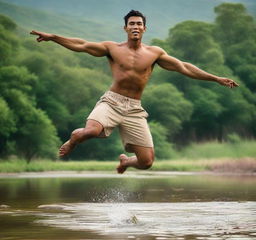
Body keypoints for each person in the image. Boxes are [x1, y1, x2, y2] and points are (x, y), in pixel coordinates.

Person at [30, 10, 238, 174]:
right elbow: (82, 44)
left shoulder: (154, 53)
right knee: (91, 132)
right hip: (111, 102)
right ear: (125, 28)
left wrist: (215, 78)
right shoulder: (112, 48)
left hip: (134, 108)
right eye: (132, 24)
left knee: (147, 162)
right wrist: (53, 37)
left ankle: (126, 162)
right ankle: (73, 140)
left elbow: (184, 67)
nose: (135, 26)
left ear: (144, 29)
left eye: (139, 24)